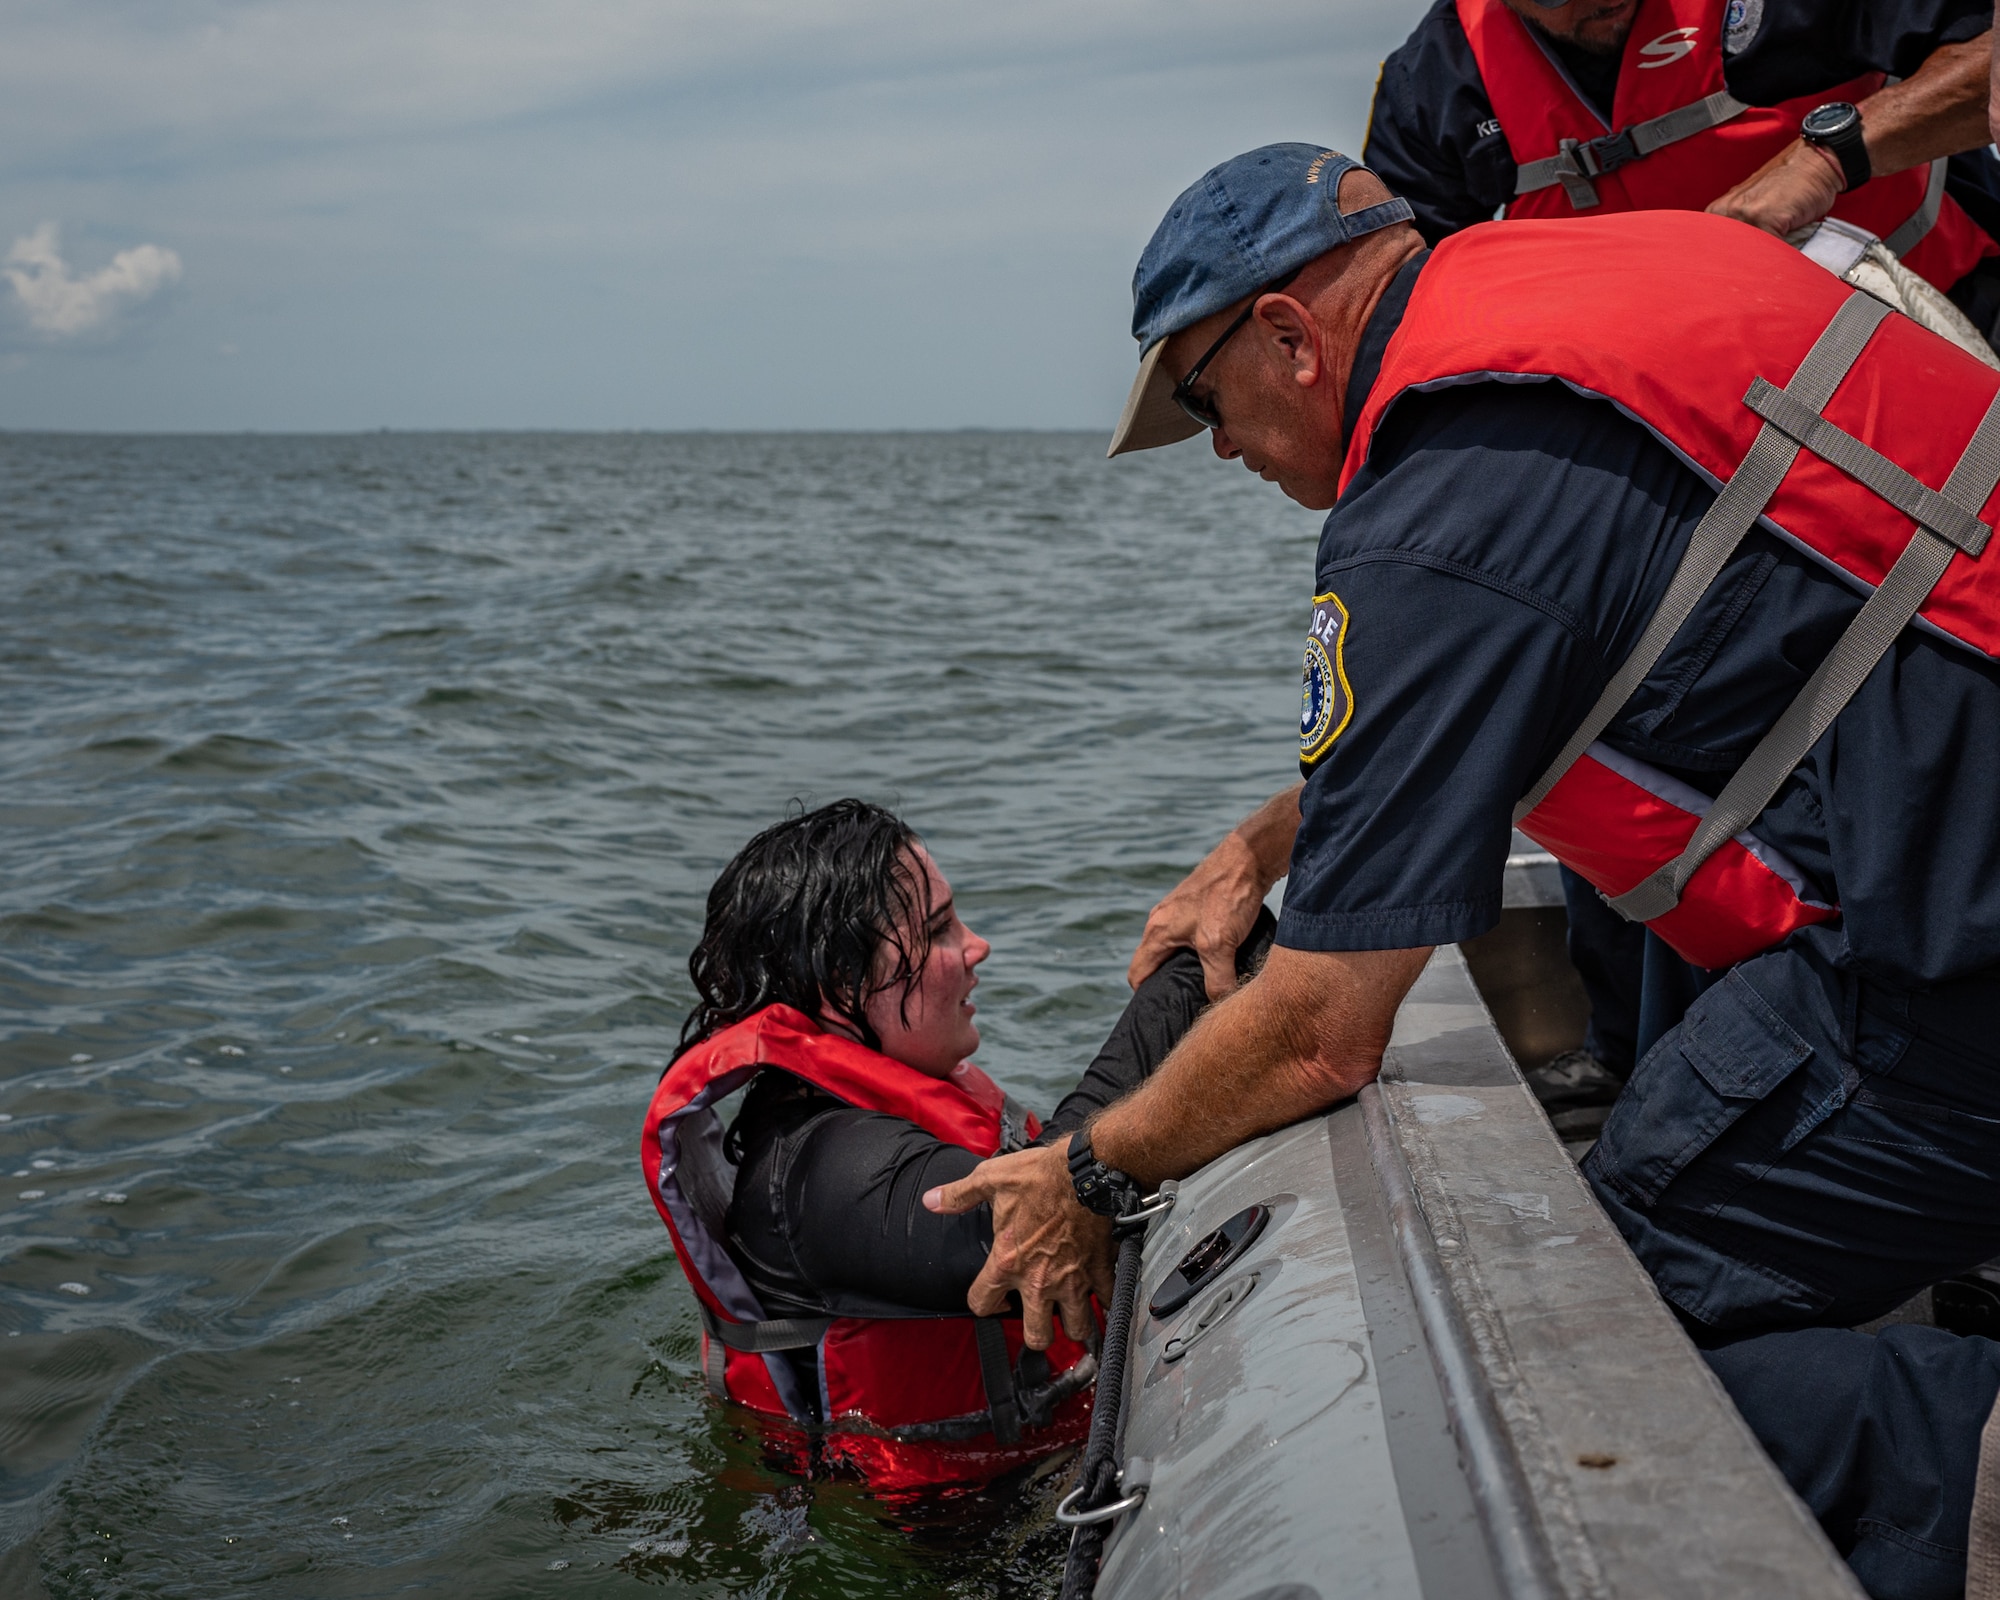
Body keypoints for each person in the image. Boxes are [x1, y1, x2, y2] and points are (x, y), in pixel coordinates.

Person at [924, 143, 2000, 1593]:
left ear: (1290, 340)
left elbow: (1320, 1032)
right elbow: (1547, 646)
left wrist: (1088, 1172)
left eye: (1202, 403)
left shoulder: (1434, 499)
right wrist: (1265, 839)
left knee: (1595, 1332)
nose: (1224, 454)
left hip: (1948, 958)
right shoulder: (1595, 290)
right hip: (1957, 852)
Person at [640, 799, 1268, 1494]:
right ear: (842, 984)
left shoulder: (871, 1116)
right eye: (939, 930)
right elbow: (1031, 1218)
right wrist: (1187, 976)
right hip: (934, 1546)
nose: (977, 946)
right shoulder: (821, 1174)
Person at [1363, 0, 2000, 333]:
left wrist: (1828, 158)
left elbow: (1987, 56)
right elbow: (1394, 312)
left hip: (1950, 314)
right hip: (1712, 418)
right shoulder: (1432, 87)